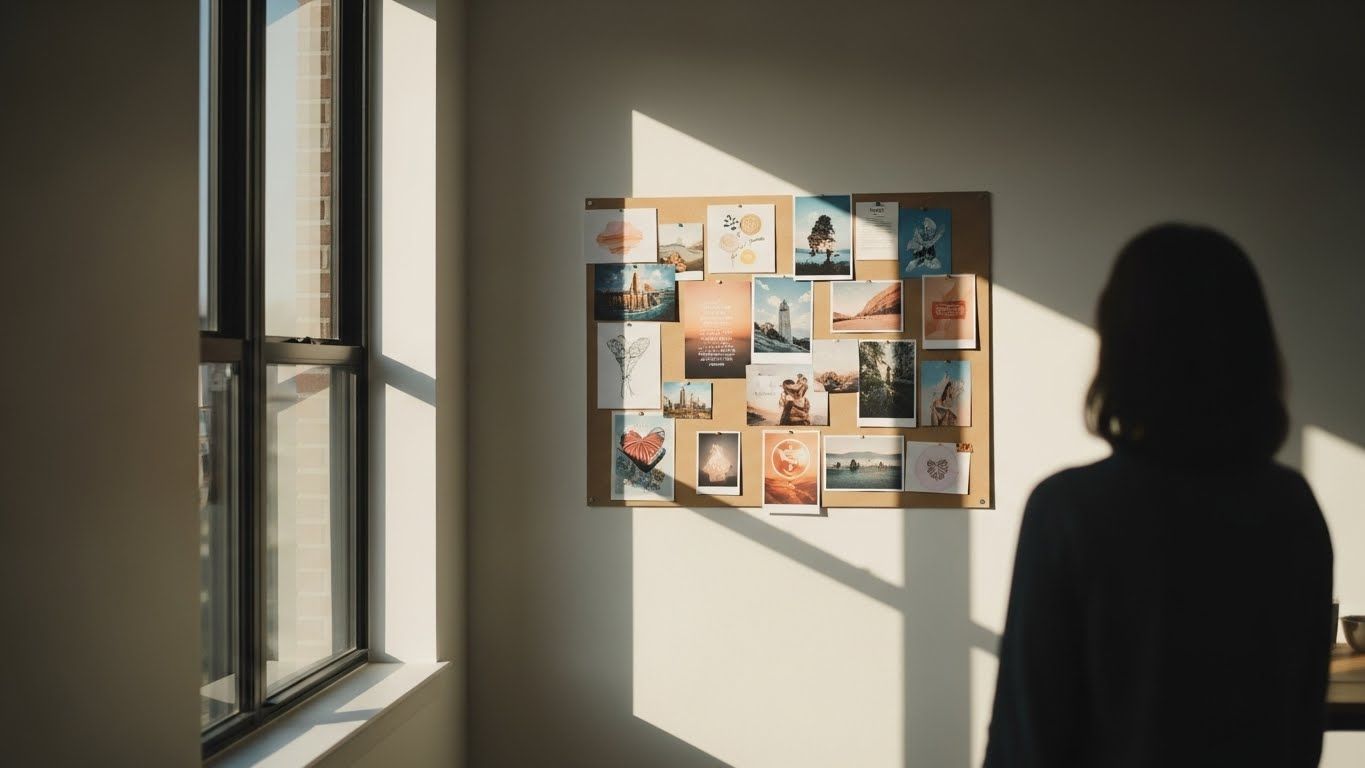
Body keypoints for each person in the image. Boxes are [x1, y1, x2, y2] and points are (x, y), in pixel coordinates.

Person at [984, 224, 1333, 767]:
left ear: (1120, 347)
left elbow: (1025, 743)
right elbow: (1301, 730)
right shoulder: (1292, 509)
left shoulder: (1069, 511)